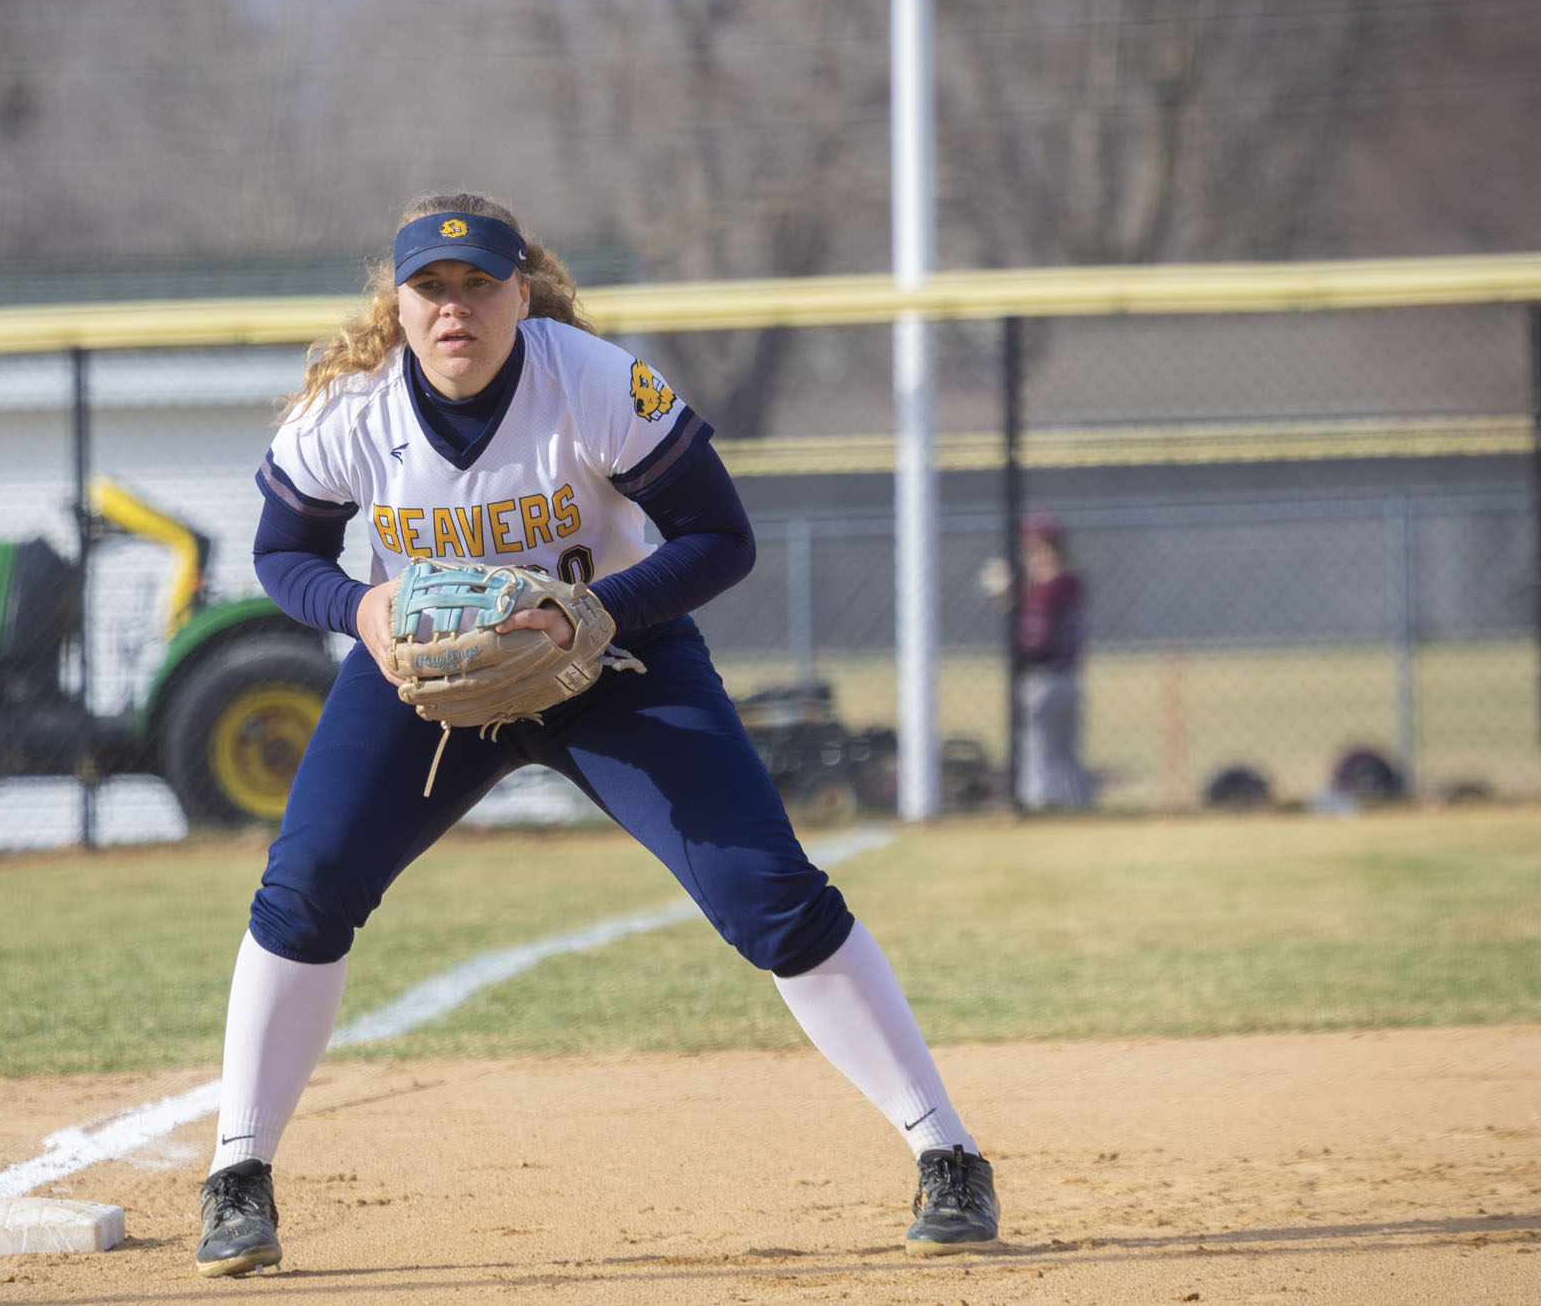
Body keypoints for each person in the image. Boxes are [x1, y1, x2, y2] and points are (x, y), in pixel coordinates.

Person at [193, 191, 1000, 1277]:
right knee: (306, 884)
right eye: (429, 288)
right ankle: (236, 1177)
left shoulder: (595, 383)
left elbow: (722, 536)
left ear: (519, 293)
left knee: (765, 893)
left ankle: (945, 1152)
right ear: (398, 301)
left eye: (478, 283)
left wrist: (602, 610)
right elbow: (280, 554)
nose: (454, 307)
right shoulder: (349, 411)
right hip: (426, 683)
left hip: (613, 662)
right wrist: (360, 610)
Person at [983, 514, 1092, 810]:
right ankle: (1077, 804)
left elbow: (1035, 639)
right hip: (1065, 677)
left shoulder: (1055, 585)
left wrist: (1009, 594)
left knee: (1038, 749)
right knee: (1060, 750)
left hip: (1046, 678)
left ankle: (1040, 805)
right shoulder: (1066, 582)